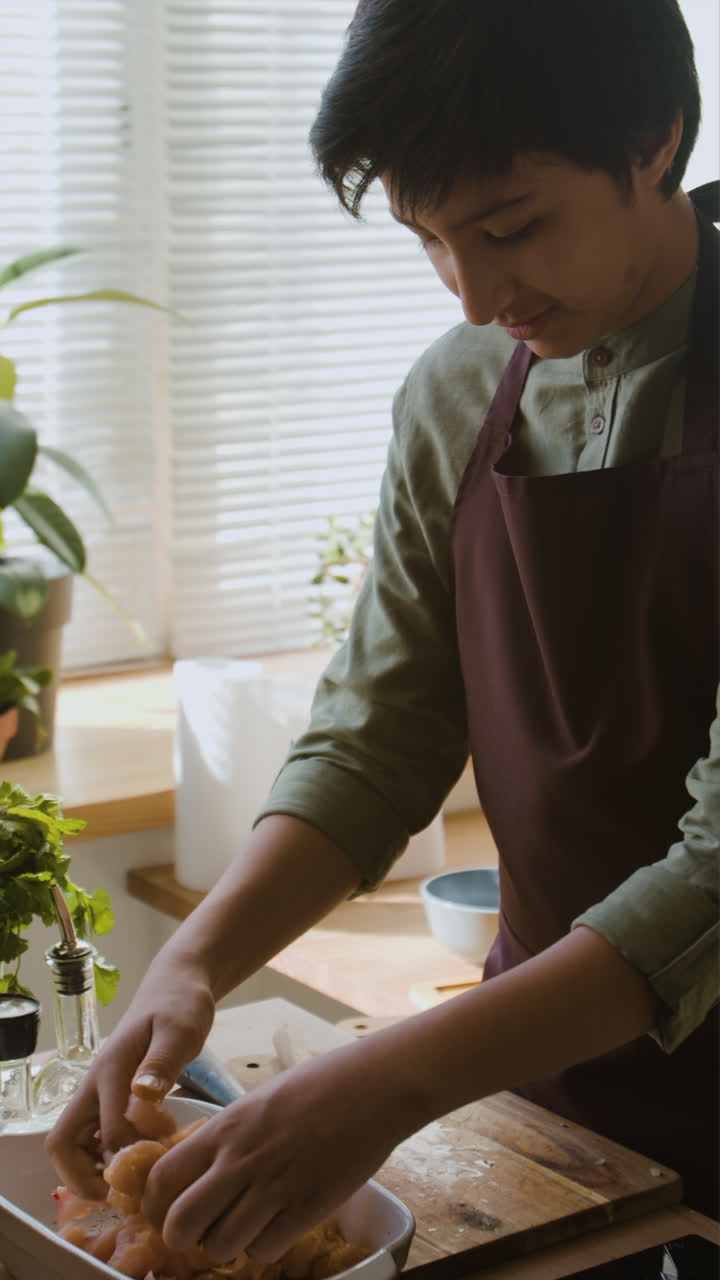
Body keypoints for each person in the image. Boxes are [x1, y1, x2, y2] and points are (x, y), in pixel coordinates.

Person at [47, 0, 719, 1261]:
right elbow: (380, 738)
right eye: (431, 241)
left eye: (511, 228)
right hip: (553, 1092)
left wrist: (390, 1082)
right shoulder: (460, 394)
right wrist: (193, 961)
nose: (473, 295)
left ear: (654, 137)